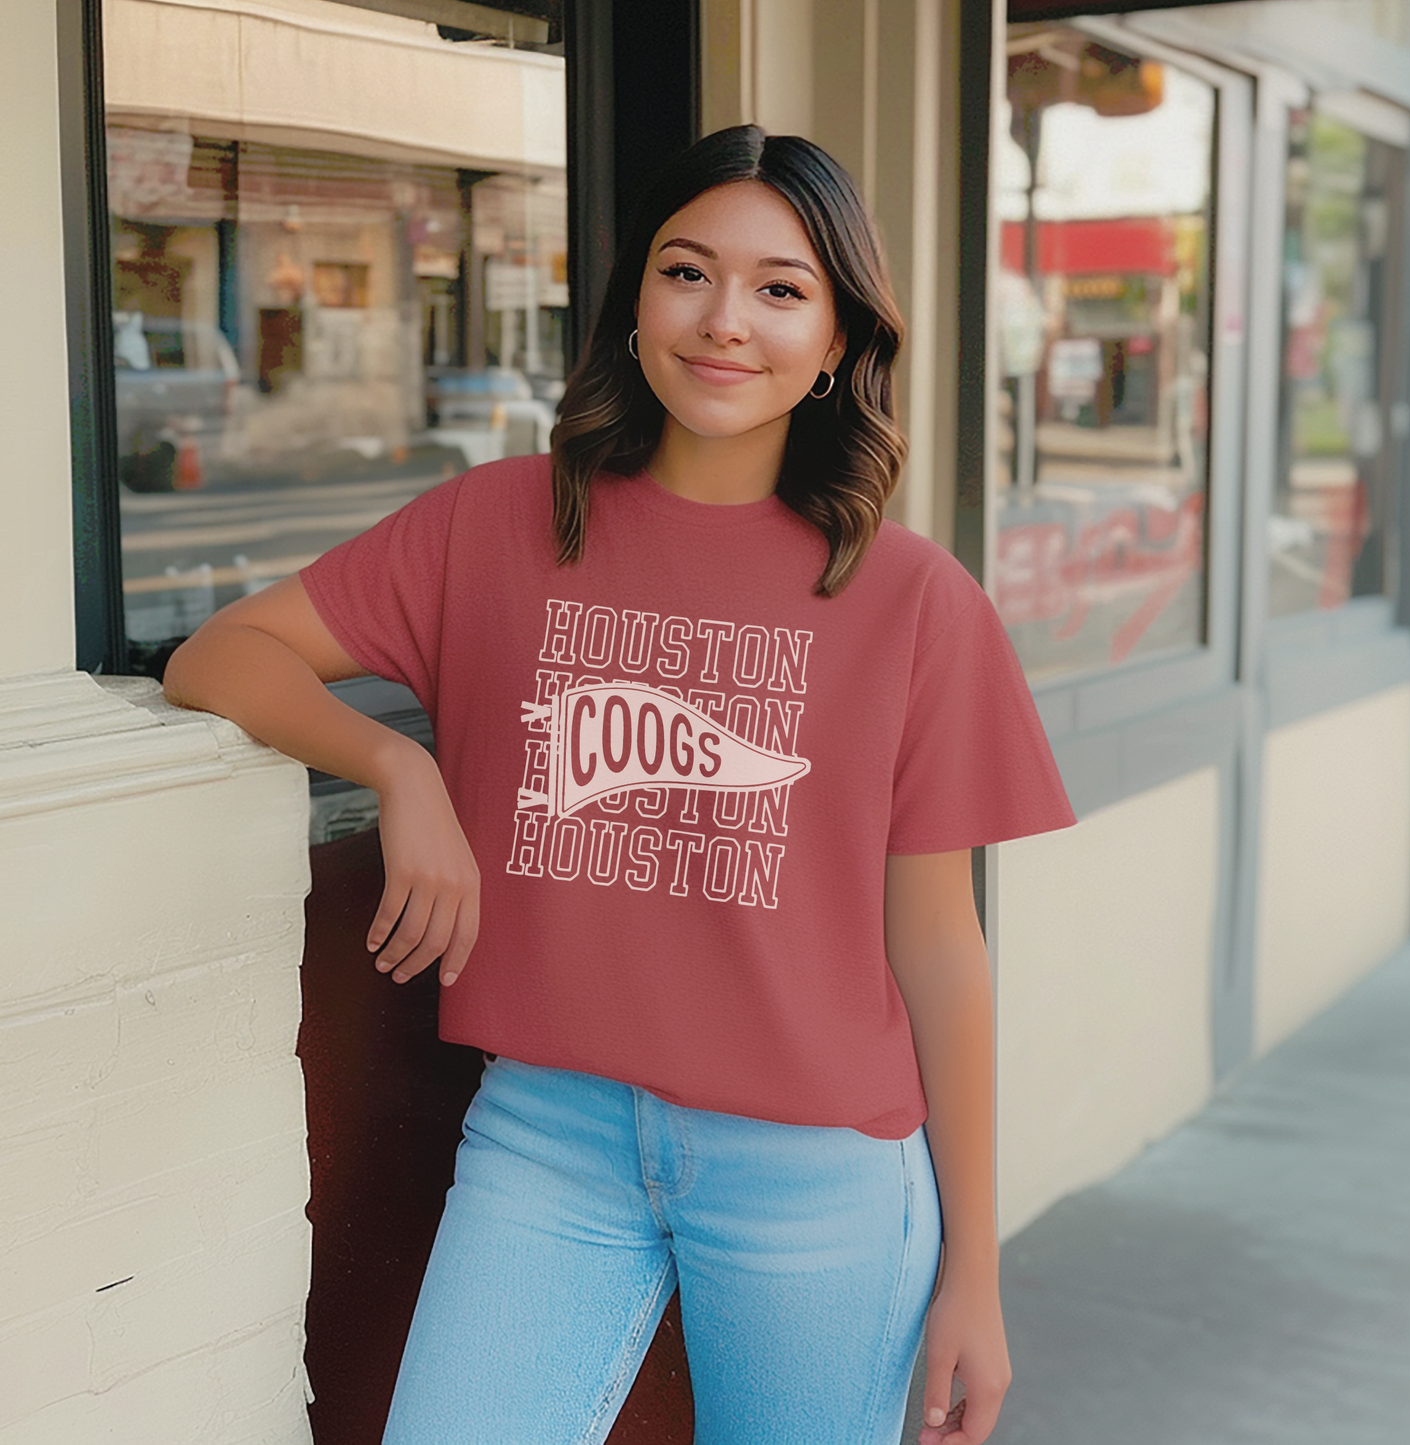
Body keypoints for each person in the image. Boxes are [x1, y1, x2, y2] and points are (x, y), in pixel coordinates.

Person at [164, 125, 1075, 1445]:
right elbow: (222, 653)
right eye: (685, 271)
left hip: (819, 1177)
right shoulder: (495, 524)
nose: (723, 322)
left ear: (836, 342)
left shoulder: (913, 602)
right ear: (633, 302)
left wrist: (976, 1279)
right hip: (549, 1138)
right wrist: (394, 761)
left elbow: (941, 949)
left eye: (780, 288)